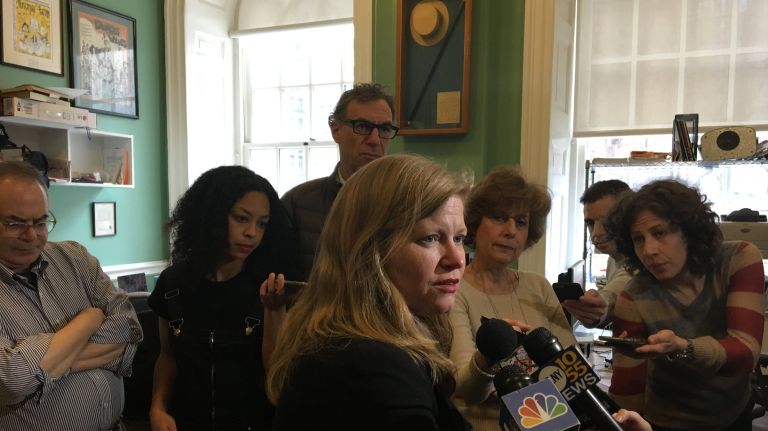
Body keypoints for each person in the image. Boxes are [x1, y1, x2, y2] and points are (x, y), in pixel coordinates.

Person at [267, 154, 471, 430]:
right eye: (430, 238)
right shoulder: (370, 363)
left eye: (459, 238)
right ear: (371, 250)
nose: (457, 259)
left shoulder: (357, 344)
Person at [604, 179, 764, 430]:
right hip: (666, 422)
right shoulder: (633, 297)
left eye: (659, 233)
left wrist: (682, 347)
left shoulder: (738, 259)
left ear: (689, 231)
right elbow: (628, 387)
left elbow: (745, 354)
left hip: (732, 414)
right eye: (638, 239)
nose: (649, 250)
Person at [148, 166, 298, 430]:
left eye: (262, 223)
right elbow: (168, 356)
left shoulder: (269, 288)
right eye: (242, 218)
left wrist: (274, 312)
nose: (252, 232)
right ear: (212, 216)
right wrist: (158, 408)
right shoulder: (173, 284)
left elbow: (276, 375)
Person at [0, 161, 142, 430]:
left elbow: (129, 330)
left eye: (40, 222)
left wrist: (45, 371)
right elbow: (11, 381)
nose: (31, 235)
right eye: (15, 223)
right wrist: (88, 320)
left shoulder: (75, 258)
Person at [449, 166, 577, 431]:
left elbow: (572, 370)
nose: (511, 231)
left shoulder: (538, 285)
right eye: (499, 217)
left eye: (521, 222)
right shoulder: (455, 289)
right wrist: (491, 355)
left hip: (550, 424)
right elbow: (468, 389)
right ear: (474, 223)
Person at [281, 83, 398, 280]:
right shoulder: (297, 203)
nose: (375, 140)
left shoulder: (405, 204)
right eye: (362, 127)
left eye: (385, 129)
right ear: (336, 130)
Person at [562, 180, 632, 327]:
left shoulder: (644, 258)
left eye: (606, 221)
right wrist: (595, 309)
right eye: (590, 223)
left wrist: (601, 305)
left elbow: (623, 284)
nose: (596, 233)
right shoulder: (613, 259)